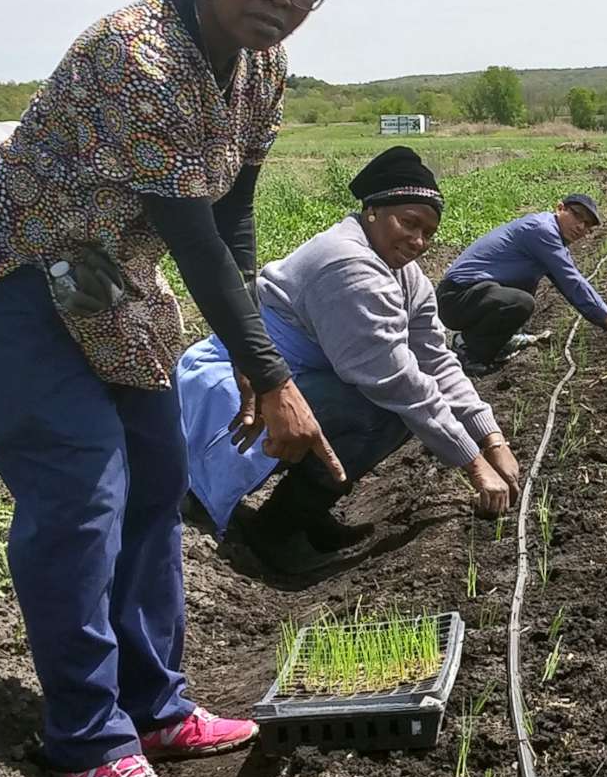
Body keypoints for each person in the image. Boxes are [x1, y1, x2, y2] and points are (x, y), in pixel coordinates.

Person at [0, 0, 348, 777]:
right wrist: (271, 378)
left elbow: (232, 219)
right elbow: (190, 234)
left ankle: (156, 705)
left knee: (158, 476)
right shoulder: (139, 57)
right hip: (18, 268)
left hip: (108, 276)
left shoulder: (261, 68)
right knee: (81, 490)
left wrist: (255, 354)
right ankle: (87, 736)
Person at [217, 146, 519, 575]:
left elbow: (437, 359)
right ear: (373, 211)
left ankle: (307, 514)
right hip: (247, 385)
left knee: (395, 409)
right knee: (385, 411)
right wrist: (475, 466)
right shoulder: (349, 266)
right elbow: (399, 382)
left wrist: (493, 440)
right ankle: (274, 531)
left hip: (297, 377)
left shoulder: (404, 274)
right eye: (409, 223)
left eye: (428, 233)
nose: (418, 241)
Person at [438, 195, 607, 372]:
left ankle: (501, 341)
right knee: (520, 301)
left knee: (523, 287)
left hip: (472, 296)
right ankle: (467, 349)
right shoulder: (542, 230)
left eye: (587, 225)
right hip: (456, 297)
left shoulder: (550, 237)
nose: (580, 227)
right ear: (560, 208)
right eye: (577, 216)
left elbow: (572, 289)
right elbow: (574, 284)